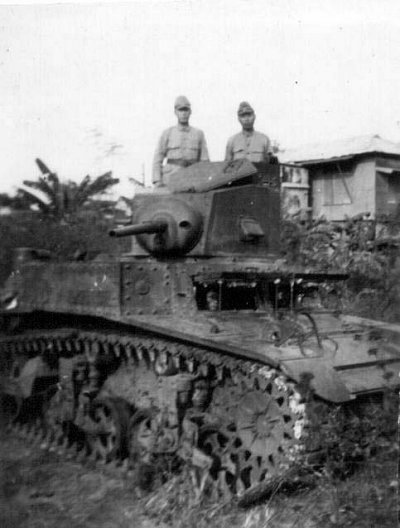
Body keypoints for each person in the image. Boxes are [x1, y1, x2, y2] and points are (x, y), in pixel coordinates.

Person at [152, 96, 209, 187]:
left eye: (186, 110)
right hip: (170, 179)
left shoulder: (198, 134)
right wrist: (157, 180)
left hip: (193, 179)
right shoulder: (167, 133)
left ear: (190, 112)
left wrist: (205, 181)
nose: (183, 114)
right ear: (175, 112)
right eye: (180, 110)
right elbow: (157, 158)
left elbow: (205, 161)